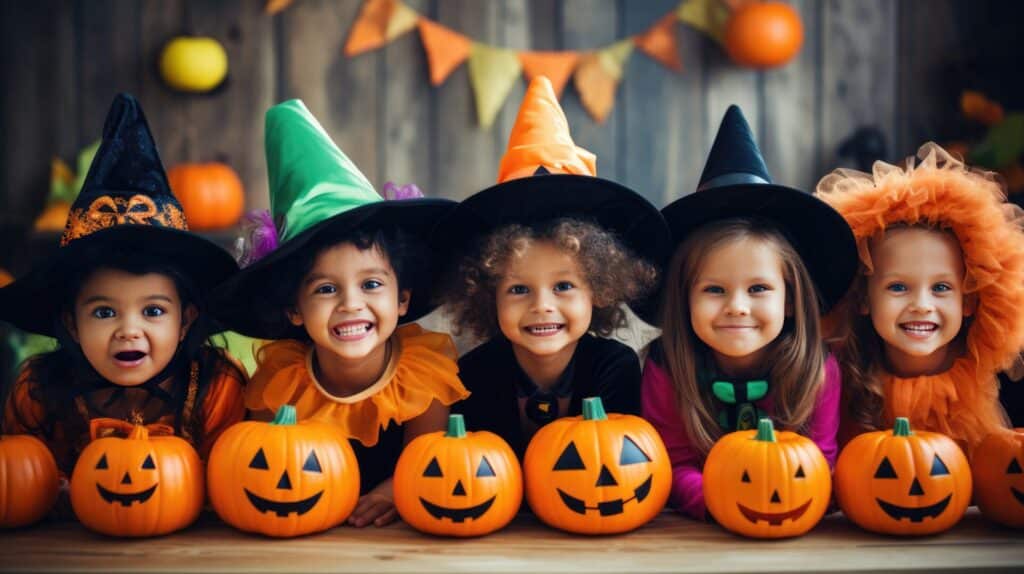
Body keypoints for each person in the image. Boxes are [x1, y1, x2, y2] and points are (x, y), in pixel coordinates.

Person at [214, 100, 465, 528]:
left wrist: (393, 489)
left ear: (402, 300)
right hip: (309, 525)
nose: (351, 304)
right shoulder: (280, 380)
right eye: (326, 289)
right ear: (294, 309)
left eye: (371, 285)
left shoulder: (425, 371)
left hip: (402, 531)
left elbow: (429, 458)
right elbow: (253, 457)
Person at [1, 94, 245, 480]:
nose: (129, 330)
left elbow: (235, 482)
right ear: (71, 323)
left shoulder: (217, 387)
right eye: (104, 312)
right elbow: (18, 480)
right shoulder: (38, 392)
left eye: (153, 311)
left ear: (186, 320)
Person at [435, 76, 670, 458]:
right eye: (518, 289)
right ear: (485, 295)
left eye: (563, 286)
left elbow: (607, 464)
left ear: (599, 290)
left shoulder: (615, 367)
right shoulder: (475, 373)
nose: (542, 305)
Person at [642, 105, 858, 520]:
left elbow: (819, 459)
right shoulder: (666, 367)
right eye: (714, 290)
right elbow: (672, 463)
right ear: (684, 299)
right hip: (704, 529)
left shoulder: (818, 369)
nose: (737, 306)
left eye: (758, 289)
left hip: (790, 517)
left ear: (791, 299)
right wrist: (721, 500)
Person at [817, 143, 1024, 454]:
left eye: (941, 288)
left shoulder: (976, 379)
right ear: (863, 299)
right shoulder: (845, 379)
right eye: (898, 287)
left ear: (968, 300)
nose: (922, 305)